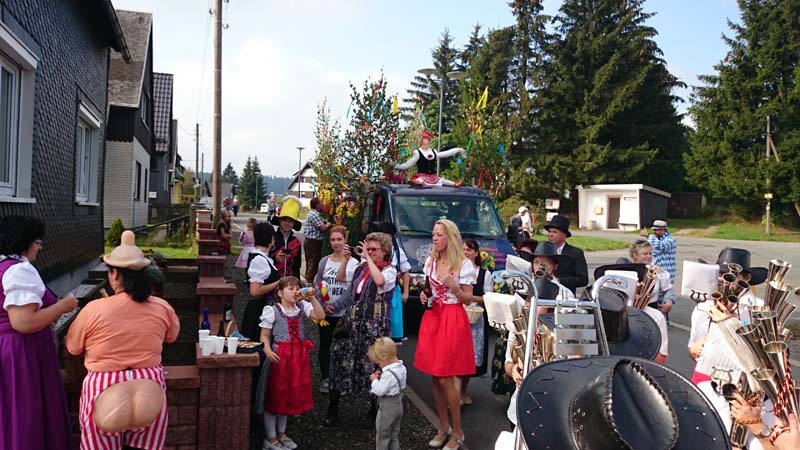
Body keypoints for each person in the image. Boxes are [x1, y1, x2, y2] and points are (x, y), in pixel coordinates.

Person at [67, 230, 180, 449]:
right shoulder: (161, 307)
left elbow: (73, 347)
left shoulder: (94, 309)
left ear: (115, 275)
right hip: (149, 385)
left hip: (104, 386)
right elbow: (171, 337)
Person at [0, 216, 77, 449]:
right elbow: (23, 322)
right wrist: (62, 307)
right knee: (26, 413)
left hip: (8, 350)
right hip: (23, 353)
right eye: (37, 241)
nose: (40, 247)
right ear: (23, 241)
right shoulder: (19, 270)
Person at [415, 219, 476, 450]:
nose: (434, 238)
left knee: (445, 377)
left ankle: (458, 432)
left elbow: (468, 299)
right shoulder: (431, 261)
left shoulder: (463, 264)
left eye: (439, 235)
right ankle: (443, 427)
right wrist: (425, 295)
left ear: (450, 237)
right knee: (434, 375)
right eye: (433, 234)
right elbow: (429, 288)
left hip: (452, 317)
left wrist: (454, 287)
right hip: (434, 316)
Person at [326, 233, 398, 427]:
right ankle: (333, 409)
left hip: (374, 326)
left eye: (374, 249)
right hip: (352, 323)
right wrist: (348, 259)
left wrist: (367, 259)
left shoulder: (390, 271)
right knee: (339, 361)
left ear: (385, 251)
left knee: (373, 366)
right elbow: (341, 279)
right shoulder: (360, 267)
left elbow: (380, 281)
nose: (370, 252)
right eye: (368, 248)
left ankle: (373, 411)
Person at [259, 276, 325, 450]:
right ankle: (270, 438)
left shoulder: (302, 306)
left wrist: (312, 298)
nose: (295, 291)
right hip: (281, 356)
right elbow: (264, 335)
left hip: (298, 357)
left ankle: (281, 433)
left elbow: (320, 316)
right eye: (290, 288)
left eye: (297, 288)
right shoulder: (273, 310)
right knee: (276, 395)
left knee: (289, 396)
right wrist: (267, 351)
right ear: (280, 293)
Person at [315, 225, 359, 393]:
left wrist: (338, 305)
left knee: (343, 346)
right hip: (325, 312)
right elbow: (318, 283)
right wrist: (322, 304)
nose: (336, 243)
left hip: (343, 312)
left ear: (345, 240)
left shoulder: (354, 263)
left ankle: (342, 378)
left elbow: (353, 289)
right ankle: (326, 377)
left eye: (339, 239)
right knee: (325, 344)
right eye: (333, 239)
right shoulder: (324, 261)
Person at [460, 238, 493, 406]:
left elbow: (487, 298)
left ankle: (462, 391)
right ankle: (454, 393)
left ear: (476, 253)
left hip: (476, 319)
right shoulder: (456, 270)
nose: (465, 253)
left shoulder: (484, 274)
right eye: (463, 249)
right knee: (457, 355)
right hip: (458, 316)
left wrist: (469, 297)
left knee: (471, 357)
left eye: (469, 250)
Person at [241, 222, 281, 342]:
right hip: (258, 311)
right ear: (272, 239)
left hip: (262, 309)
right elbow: (255, 291)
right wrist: (278, 283)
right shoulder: (259, 260)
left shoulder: (260, 257)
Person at [368, 337, 407, 450]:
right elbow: (399, 385)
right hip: (398, 403)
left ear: (385, 358)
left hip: (388, 406)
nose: (379, 365)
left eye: (379, 363)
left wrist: (375, 380)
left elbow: (380, 391)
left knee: (383, 434)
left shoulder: (388, 374)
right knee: (394, 433)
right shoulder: (401, 367)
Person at [393, 130, 466, 187]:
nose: (426, 141)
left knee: (442, 180)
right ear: (421, 140)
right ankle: (416, 182)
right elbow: (408, 164)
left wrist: (458, 150)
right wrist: (396, 166)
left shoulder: (433, 152)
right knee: (420, 180)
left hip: (433, 177)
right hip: (422, 176)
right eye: (425, 139)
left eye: (428, 139)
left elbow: (446, 153)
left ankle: (454, 184)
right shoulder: (417, 152)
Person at [629, 239, 677, 317]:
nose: (649, 256)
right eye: (645, 254)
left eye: (650, 253)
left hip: (652, 311)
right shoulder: (627, 271)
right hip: (630, 311)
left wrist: (669, 301)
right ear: (635, 255)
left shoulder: (658, 271)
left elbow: (668, 289)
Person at [544, 215, 588, 294]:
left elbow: (583, 279)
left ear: (564, 235)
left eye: (554, 232)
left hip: (566, 295)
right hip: (544, 293)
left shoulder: (575, 253)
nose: (550, 234)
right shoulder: (543, 251)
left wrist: (559, 280)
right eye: (549, 231)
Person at [271, 196, 303, 279]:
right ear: (279, 220)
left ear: (294, 224)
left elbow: (297, 266)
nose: (287, 223)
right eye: (284, 220)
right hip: (272, 281)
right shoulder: (271, 238)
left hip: (289, 283)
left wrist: (297, 282)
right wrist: (275, 258)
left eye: (290, 221)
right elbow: (263, 260)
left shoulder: (296, 242)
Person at [304, 197, 333, 283]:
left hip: (312, 242)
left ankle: (308, 282)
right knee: (312, 264)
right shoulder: (314, 214)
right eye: (321, 203)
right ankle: (308, 284)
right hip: (313, 242)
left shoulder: (314, 214)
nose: (322, 204)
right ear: (317, 205)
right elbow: (322, 228)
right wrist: (328, 224)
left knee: (312, 263)